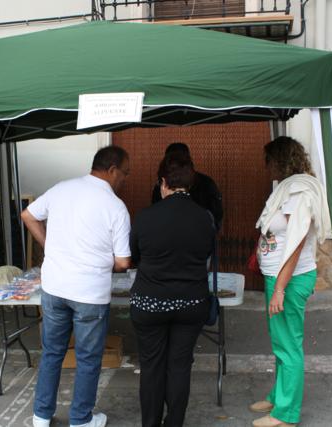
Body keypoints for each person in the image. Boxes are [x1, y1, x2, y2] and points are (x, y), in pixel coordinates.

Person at [22, 146, 132, 427]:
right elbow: (123, 262)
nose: (125, 179)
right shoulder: (116, 207)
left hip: (55, 287)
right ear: (112, 170)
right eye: (125, 173)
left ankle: (41, 416)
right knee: (88, 358)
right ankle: (81, 420)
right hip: (89, 294)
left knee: (52, 353)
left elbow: (28, 215)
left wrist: (49, 245)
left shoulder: (62, 188)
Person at [250, 137, 331, 427]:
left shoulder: (298, 193)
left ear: (280, 161)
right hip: (280, 277)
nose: (266, 167)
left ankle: (285, 414)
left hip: (289, 280)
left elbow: (295, 243)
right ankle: (279, 396)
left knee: (288, 345)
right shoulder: (290, 189)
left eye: (269, 160)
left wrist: (280, 289)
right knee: (281, 342)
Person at [130, 151, 215, 427]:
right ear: (190, 183)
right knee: (180, 365)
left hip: (150, 302)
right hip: (191, 303)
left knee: (151, 366)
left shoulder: (145, 217)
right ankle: (175, 422)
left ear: (163, 183)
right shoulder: (205, 218)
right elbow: (207, 254)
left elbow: (135, 257)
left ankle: (150, 423)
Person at [151, 142, 223, 230]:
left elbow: (216, 216)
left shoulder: (206, 184)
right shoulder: (160, 185)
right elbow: (155, 213)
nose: (176, 171)